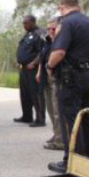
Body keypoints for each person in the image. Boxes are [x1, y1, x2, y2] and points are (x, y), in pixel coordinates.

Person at [47, 0, 89, 173]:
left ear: (62, 7)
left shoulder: (67, 23)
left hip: (72, 77)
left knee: (70, 118)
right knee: (87, 115)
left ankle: (73, 161)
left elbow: (60, 52)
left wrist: (49, 65)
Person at [36, 17, 64, 151]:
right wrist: (39, 72)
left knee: (58, 110)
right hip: (46, 78)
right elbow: (43, 59)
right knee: (51, 109)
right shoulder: (47, 41)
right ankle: (56, 134)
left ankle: (61, 140)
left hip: (56, 78)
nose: (50, 31)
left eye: (53, 28)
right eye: (48, 29)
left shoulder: (61, 41)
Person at [14, 15, 45, 127]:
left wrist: (34, 63)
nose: (24, 25)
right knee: (25, 94)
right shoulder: (28, 34)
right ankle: (27, 116)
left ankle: (40, 119)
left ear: (33, 22)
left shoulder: (40, 33)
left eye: (26, 23)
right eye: (23, 23)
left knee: (36, 94)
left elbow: (43, 51)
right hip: (24, 69)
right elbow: (22, 49)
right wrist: (18, 60)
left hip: (34, 69)